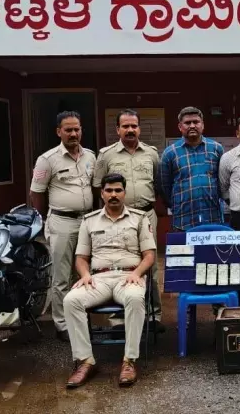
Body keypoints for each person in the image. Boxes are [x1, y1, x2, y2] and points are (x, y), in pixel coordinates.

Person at [63, 173, 156, 389]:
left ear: (124, 193)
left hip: (129, 276)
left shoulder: (139, 218)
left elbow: (149, 255)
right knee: (71, 300)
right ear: (102, 193)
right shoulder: (89, 221)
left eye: (118, 190)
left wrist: (137, 273)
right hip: (99, 278)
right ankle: (85, 361)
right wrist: (85, 275)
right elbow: (81, 258)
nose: (113, 194)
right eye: (109, 190)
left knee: (135, 298)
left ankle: (129, 361)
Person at [93, 109, 164, 332]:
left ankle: (153, 315)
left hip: (146, 215)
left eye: (134, 126)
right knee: (118, 264)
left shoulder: (151, 153)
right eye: (125, 126)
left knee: (150, 266)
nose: (130, 130)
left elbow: (158, 184)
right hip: (117, 218)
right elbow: (98, 186)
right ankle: (118, 319)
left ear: (139, 128)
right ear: (118, 129)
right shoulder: (106, 155)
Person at [30, 111, 96, 342]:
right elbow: (36, 194)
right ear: (59, 132)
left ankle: (81, 316)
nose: (73, 134)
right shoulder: (47, 159)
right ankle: (62, 323)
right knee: (61, 277)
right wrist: (45, 220)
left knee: (84, 272)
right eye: (68, 130)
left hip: (86, 221)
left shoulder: (90, 157)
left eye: (77, 129)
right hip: (62, 222)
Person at [160, 106, 224, 231]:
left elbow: (223, 182)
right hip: (183, 220)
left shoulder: (216, 149)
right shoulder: (169, 153)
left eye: (196, 122)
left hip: (212, 217)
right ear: (180, 127)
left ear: (202, 125)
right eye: (188, 123)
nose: (192, 126)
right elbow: (164, 187)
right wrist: (177, 203)